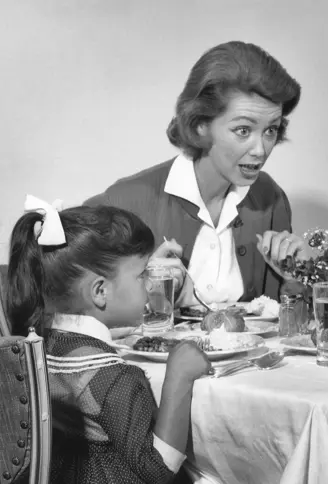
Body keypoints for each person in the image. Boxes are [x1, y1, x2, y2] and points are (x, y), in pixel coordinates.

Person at [0, 197, 218, 484]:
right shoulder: (113, 374)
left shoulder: (45, 346)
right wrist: (179, 374)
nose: (150, 283)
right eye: (142, 273)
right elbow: (159, 467)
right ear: (100, 291)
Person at [85, 41, 310, 308]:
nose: (260, 150)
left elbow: (285, 324)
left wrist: (295, 278)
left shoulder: (268, 198)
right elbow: (72, 310)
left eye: (270, 130)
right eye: (243, 130)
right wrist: (144, 291)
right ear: (201, 124)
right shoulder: (125, 202)